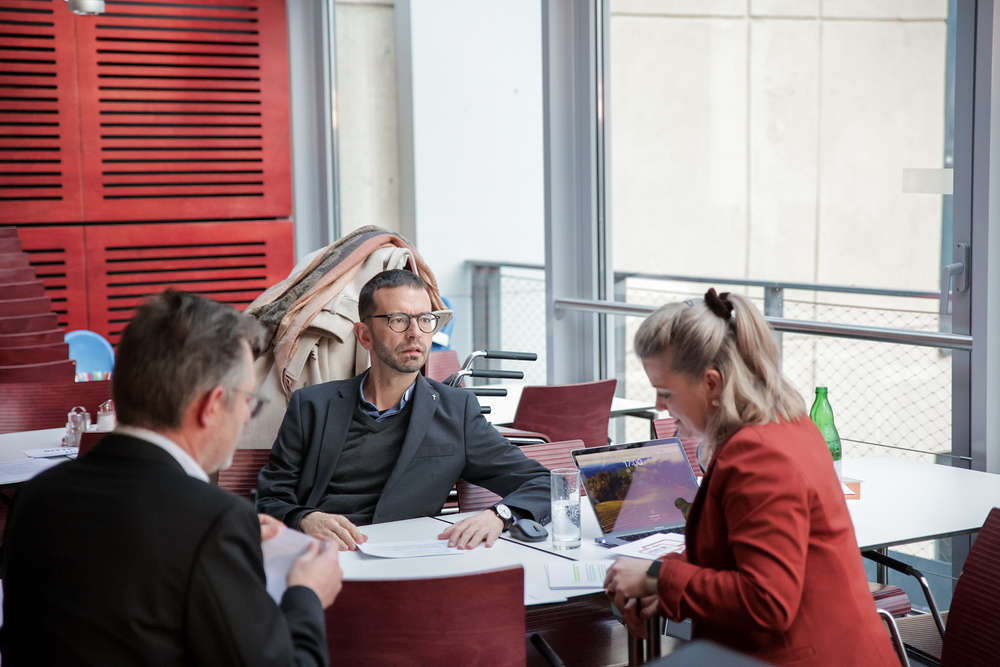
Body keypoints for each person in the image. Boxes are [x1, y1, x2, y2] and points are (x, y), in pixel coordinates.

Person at [1, 291, 343, 667]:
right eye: (248, 400)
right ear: (211, 406)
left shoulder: (36, 495)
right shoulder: (213, 522)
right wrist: (307, 594)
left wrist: (231, 542)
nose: (248, 416)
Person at [603, 289, 898, 667]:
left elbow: (768, 600)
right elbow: (736, 552)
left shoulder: (759, 455)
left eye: (666, 393)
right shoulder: (787, 424)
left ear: (712, 384)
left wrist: (661, 577)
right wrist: (658, 578)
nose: (660, 406)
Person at [256, 269, 550, 551]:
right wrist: (305, 519)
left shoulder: (456, 412)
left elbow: (545, 483)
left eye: (425, 319)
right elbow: (269, 499)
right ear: (365, 335)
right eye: (398, 320)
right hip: (325, 556)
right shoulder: (312, 405)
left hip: (411, 559)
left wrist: (499, 515)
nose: (415, 333)